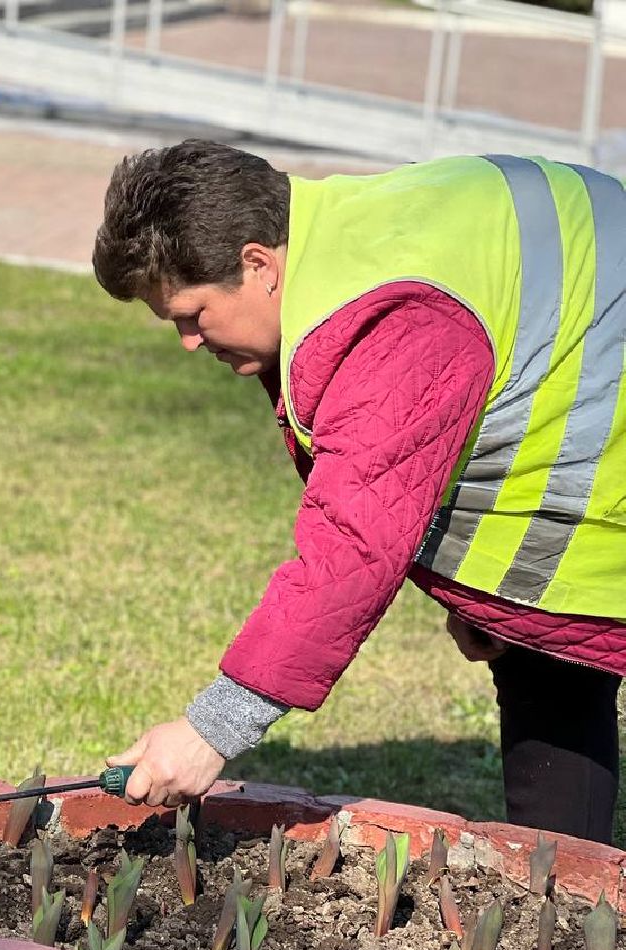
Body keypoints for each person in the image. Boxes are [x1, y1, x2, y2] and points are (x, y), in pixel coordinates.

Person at [93, 141, 626, 844]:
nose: (189, 342)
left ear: (258, 264)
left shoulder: (390, 322)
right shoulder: (341, 243)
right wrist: (490, 595)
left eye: (193, 314)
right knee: (547, 665)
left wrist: (209, 732)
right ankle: (564, 889)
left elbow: (352, 549)